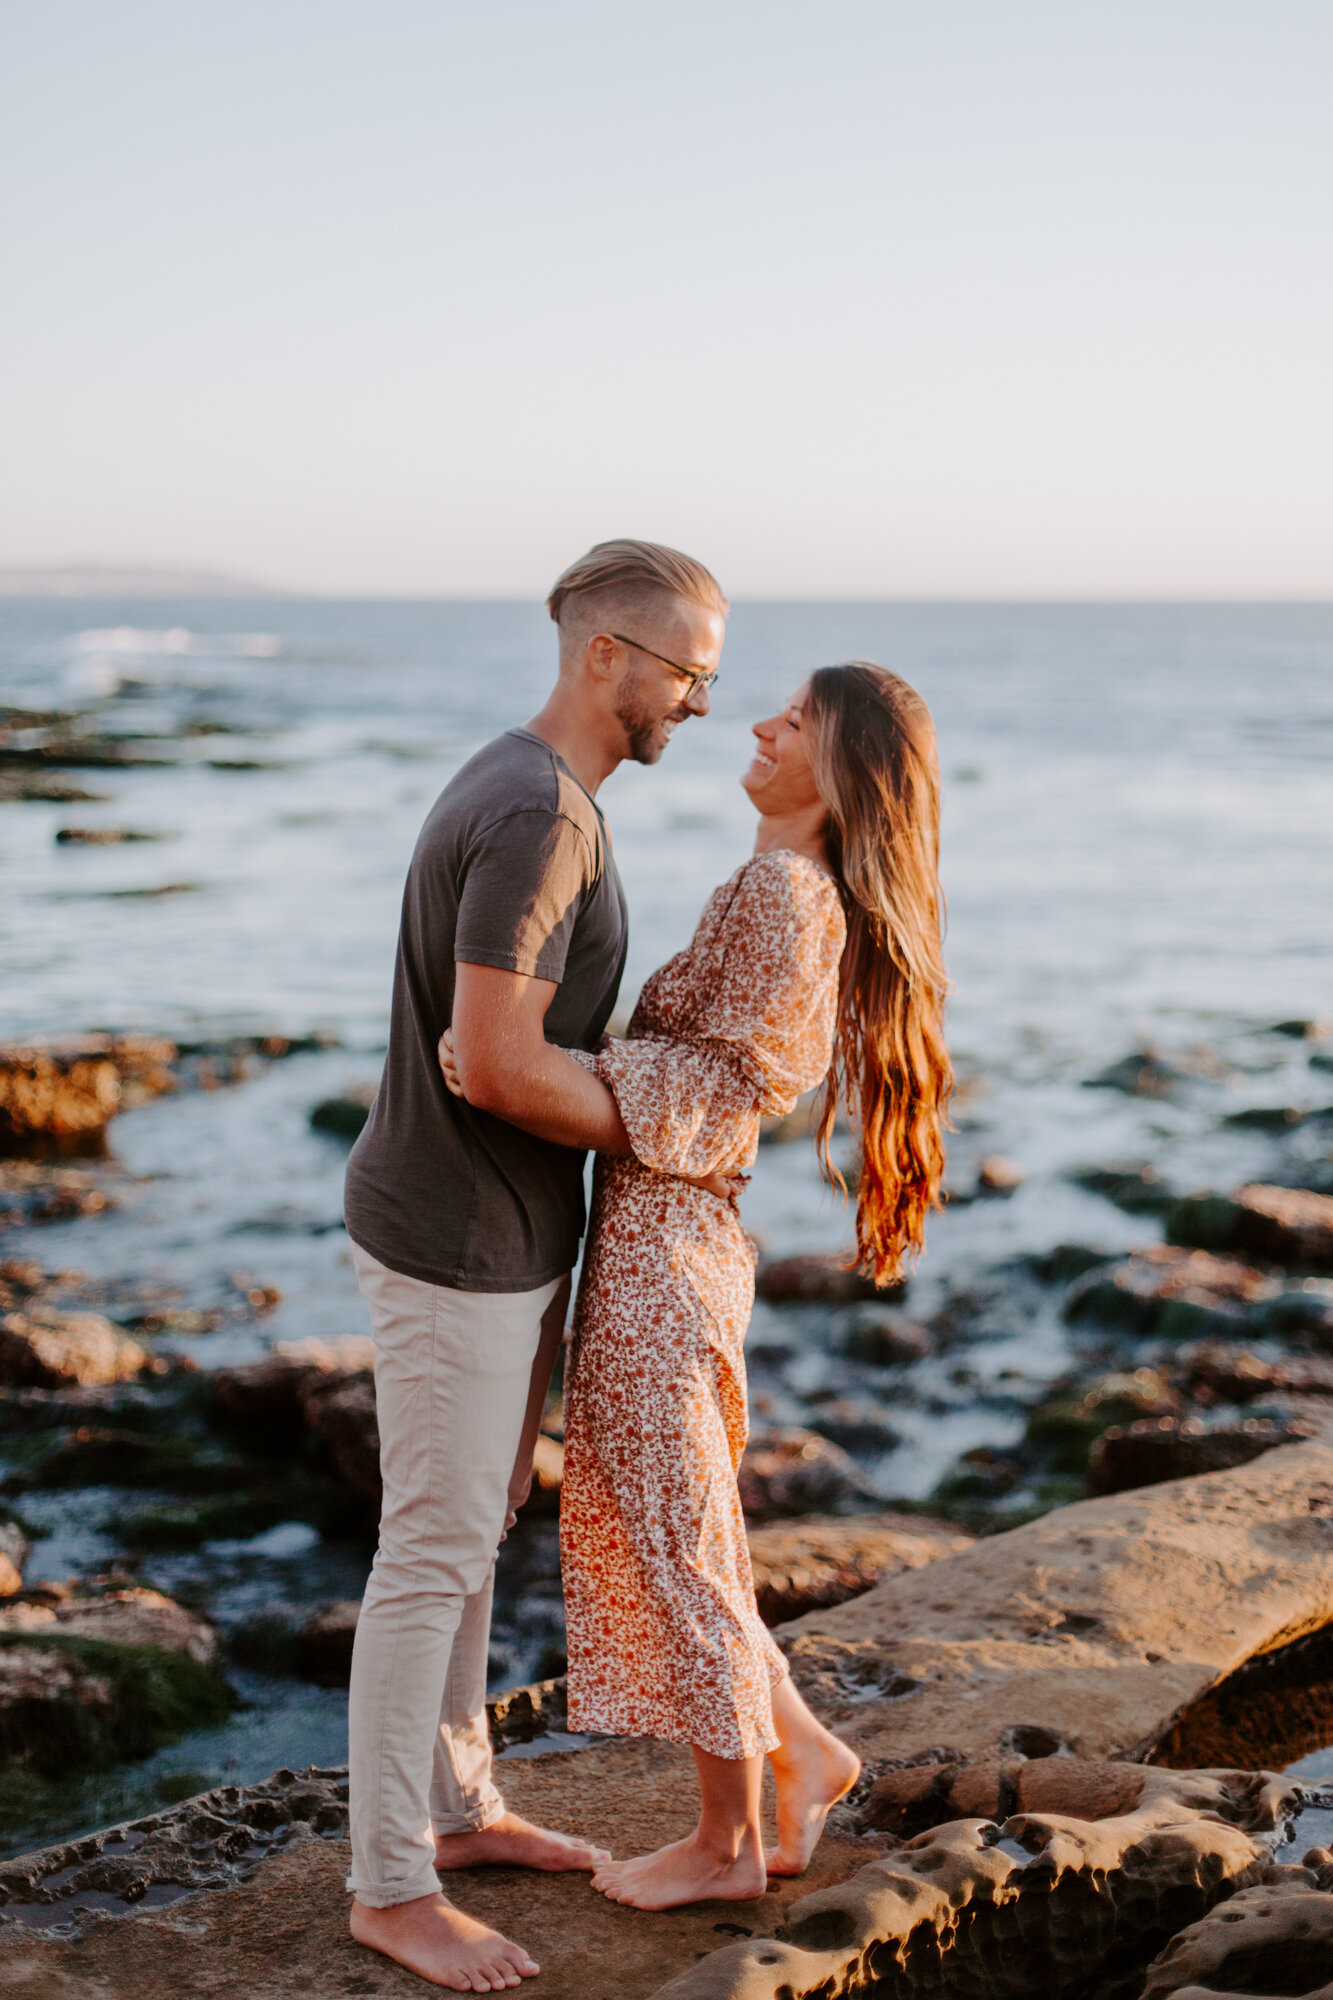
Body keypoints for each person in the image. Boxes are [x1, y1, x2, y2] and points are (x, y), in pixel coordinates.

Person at [440, 660, 951, 1911]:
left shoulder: (785, 891)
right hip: (660, 1240)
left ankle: (725, 1842)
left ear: (842, 772)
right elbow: (703, 1067)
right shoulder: (777, 882)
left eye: (797, 719)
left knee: (681, 1548)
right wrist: (567, 1065)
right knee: (692, 1533)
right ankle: (807, 1754)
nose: (762, 723)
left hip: (668, 1249)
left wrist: (518, 1071)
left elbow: (730, 1096)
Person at [341, 538, 728, 1991]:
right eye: (687, 671)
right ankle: (387, 1884)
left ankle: (456, 1811)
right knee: (428, 1552)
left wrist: (586, 1081)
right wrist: (668, 1112)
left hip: (493, 1236)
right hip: (452, 1239)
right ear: (604, 655)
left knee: (468, 1532)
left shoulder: (541, 791)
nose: (697, 703)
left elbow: (505, 1059)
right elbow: (498, 1065)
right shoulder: (537, 817)